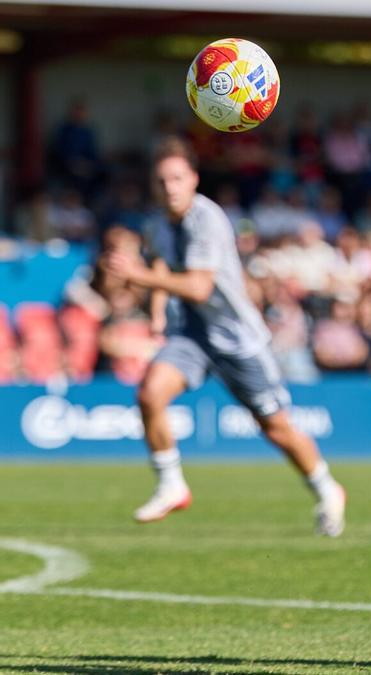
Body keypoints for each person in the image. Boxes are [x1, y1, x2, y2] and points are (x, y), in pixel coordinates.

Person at [101, 137, 346, 537]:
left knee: (276, 427)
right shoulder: (156, 223)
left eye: (178, 179)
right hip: (193, 335)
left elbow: (198, 287)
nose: (170, 188)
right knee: (149, 393)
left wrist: (137, 275)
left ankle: (327, 487)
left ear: (194, 179)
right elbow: (165, 264)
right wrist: (160, 313)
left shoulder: (208, 220)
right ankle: (171, 484)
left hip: (237, 338)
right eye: (162, 181)